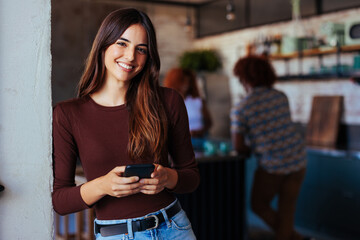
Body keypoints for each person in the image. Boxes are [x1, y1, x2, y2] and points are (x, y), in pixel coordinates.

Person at [52, 8, 199, 240]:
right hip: (115, 235)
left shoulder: (168, 100)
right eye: (122, 43)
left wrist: (167, 178)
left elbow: (191, 177)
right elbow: (60, 201)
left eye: (141, 49)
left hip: (174, 228)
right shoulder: (68, 114)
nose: (131, 57)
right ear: (103, 45)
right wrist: (102, 186)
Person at [230, 55, 307, 240]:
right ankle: (297, 238)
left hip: (272, 166)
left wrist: (251, 149)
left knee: (258, 205)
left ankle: (297, 238)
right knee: (287, 212)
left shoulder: (242, 107)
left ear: (243, 78)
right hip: (298, 161)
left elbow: (238, 146)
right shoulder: (280, 96)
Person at [163, 68, 212, 138]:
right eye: (183, 82)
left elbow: (208, 122)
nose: (186, 85)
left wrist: (198, 132)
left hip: (199, 139)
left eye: (188, 82)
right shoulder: (168, 103)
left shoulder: (198, 100)